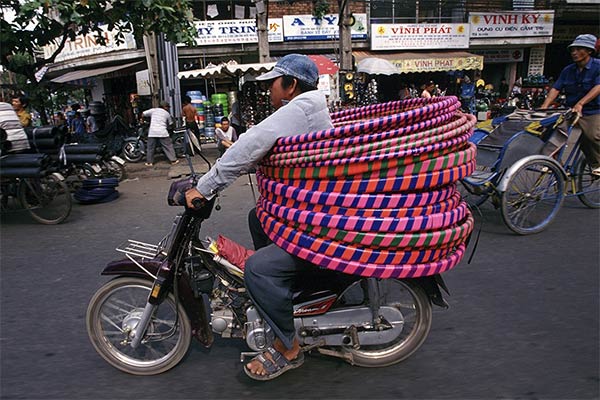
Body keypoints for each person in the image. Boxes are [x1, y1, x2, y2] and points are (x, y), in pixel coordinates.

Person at [184, 54, 333, 381]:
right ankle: (287, 294)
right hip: (313, 215)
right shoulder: (310, 107)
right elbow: (274, 149)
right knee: (257, 217)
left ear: (290, 85)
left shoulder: (300, 108)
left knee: (258, 268)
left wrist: (205, 187)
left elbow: (251, 143)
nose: (269, 90)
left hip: (318, 228)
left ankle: (288, 348)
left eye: (273, 83)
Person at [541, 34, 600, 176]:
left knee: (591, 136)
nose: (574, 52)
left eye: (579, 49)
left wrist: (581, 103)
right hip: (570, 109)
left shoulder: (598, 66)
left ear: (589, 51)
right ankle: (555, 164)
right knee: (548, 129)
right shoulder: (568, 70)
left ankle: (597, 163)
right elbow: (556, 88)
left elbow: (598, 87)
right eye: (573, 50)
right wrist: (544, 106)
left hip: (593, 110)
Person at [142, 101, 179, 167]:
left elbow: (143, 113)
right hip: (162, 132)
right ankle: (173, 160)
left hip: (152, 132)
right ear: (164, 107)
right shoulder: (167, 114)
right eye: (167, 107)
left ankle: (149, 162)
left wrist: (142, 119)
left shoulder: (153, 110)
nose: (168, 108)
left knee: (150, 148)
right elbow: (170, 124)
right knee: (168, 146)